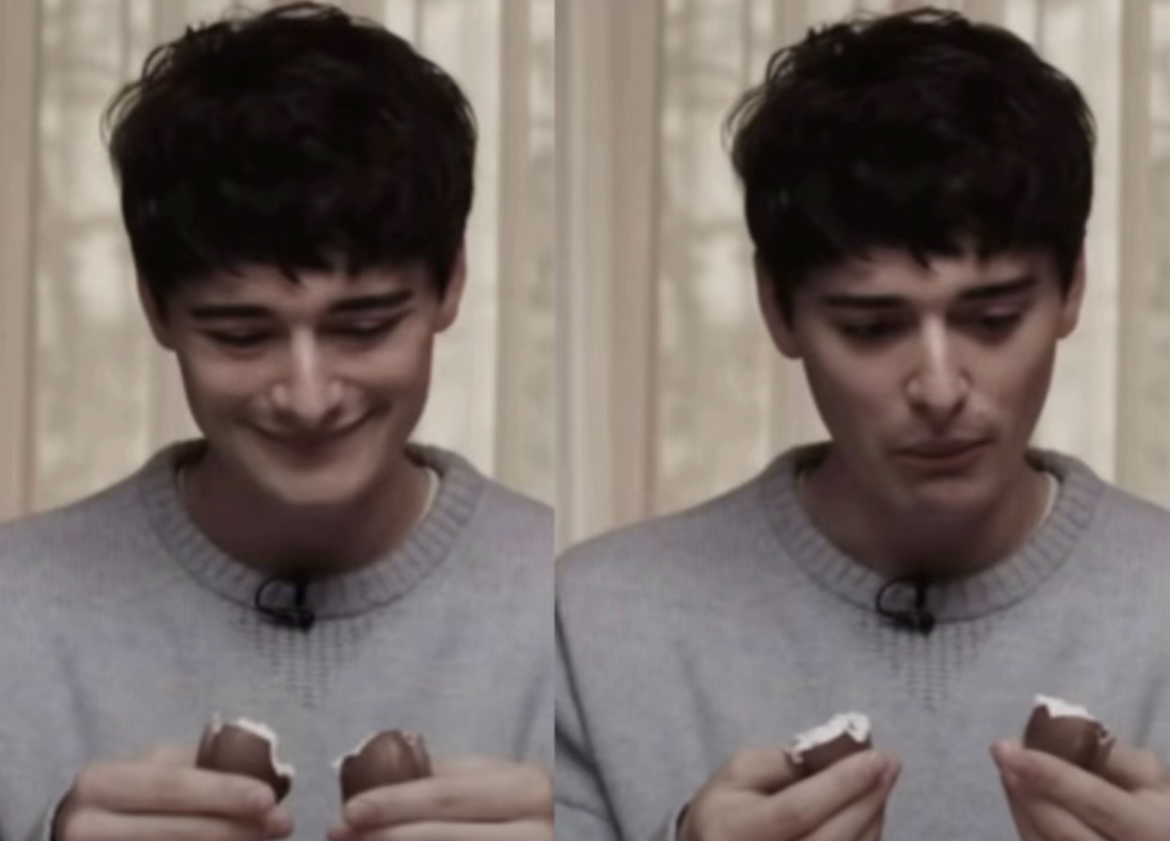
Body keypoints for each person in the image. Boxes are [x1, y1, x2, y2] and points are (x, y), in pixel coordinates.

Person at [555, 7, 1170, 841]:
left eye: (993, 318)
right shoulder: (593, 623)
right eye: (873, 327)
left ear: (1073, 290)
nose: (940, 387)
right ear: (778, 309)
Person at [0, 4, 552, 841]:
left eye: (363, 326)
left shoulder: (565, 604)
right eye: (241, 335)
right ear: (155, 307)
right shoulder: (17, 611)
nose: (307, 395)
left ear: (451, 285)